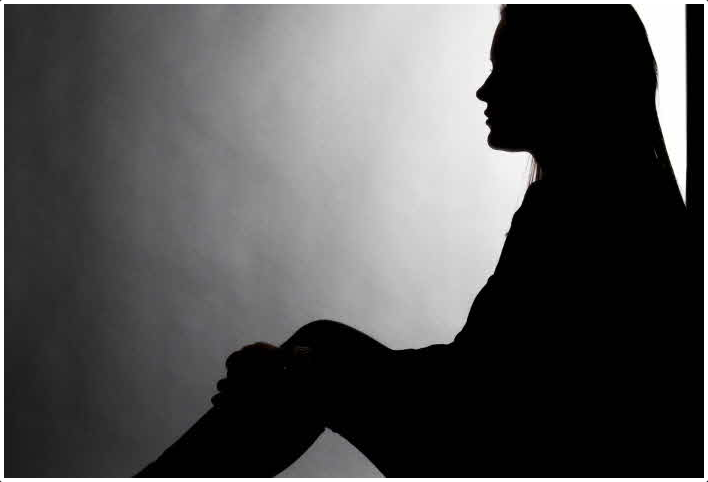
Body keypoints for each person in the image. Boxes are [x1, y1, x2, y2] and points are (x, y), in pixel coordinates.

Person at [136, 5, 697, 477]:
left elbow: (486, 393)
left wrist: (301, 372)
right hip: (512, 441)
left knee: (315, 352)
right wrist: (304, 369)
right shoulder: (606, 199)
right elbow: (479, 373)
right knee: (319, 346)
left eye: (505, 69)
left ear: (563, 78)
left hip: (515, 455)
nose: (484, 89)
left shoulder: (581, 210)